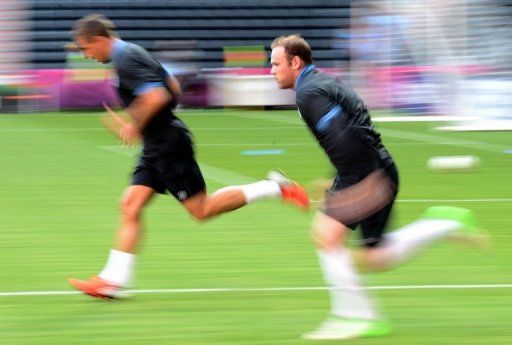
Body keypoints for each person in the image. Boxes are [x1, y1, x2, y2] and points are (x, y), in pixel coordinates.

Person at [68, 15, 309, 299]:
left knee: (201, 210)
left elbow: (158, 96)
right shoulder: (132, 54)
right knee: (130, 205)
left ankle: (275, 188)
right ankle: (113, 281)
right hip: (156, 143)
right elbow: (172, 86)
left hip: (169, 145)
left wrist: (135, 123)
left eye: (85, 48)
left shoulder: (127, 59)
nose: (86, 55)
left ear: (98, 39)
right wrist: (144, 123)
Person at [270, 35, 486, 340]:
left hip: (368, 172)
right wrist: (338, 179)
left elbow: (346, 139)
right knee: (375, 257)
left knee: (325, 235)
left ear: (295, 62)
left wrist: (353, 184)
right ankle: (444, 223)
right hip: (374, 167)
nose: (271, 70)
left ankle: (357, 317)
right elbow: (352, 128)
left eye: (276, 63)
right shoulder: (321, 82)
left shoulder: (308, 94)